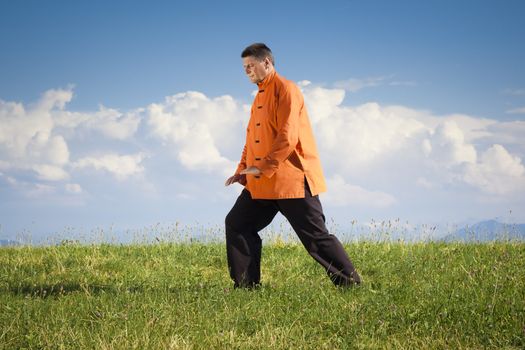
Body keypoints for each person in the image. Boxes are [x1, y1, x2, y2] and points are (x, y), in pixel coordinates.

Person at [225, 43, 361, 289]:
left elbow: (288, 137)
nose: (247, 71)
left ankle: (351, 284)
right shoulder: (258, 97)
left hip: (292, 181)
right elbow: (251, 139)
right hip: (263, 183)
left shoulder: (287, 90)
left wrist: (263, 166)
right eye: (244, 67)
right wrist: (242, 170)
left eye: (251, 66)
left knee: (316, 238)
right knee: (237, 223)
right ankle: (246, 287)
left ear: (266, 62)